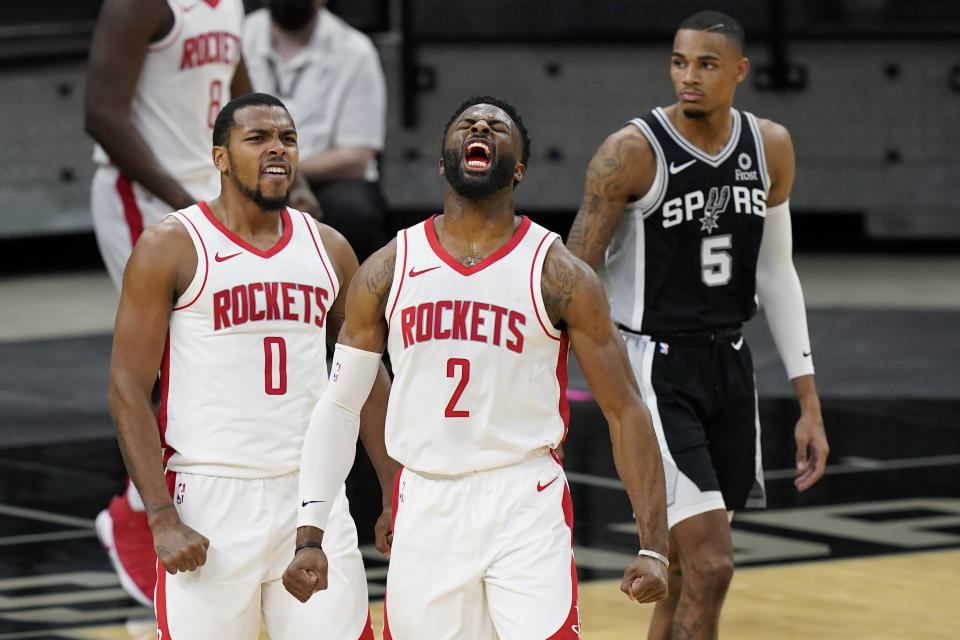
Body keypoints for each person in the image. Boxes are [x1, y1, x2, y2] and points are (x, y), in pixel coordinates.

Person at [282, 96, 669, 639]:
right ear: (443, 162)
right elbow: (341, 403)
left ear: (519, 168)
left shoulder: (560, 273)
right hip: (426, 497)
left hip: (523, 497)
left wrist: (654, 544)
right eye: (466, 123)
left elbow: (625, 410)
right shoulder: (389, 267)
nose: (481, 126)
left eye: (496, 126)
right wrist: (311, 533)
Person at [566, 11, 830, 639]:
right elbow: (573, 274)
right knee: (712, 565)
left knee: (684, 571)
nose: (689, 76)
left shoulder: (770, 146)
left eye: (707, 64)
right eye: (680, 62)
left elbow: (776, 273)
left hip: (730, 364)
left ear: (739, 70)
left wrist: (808, 399)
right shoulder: (630, 152)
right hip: (654, 367)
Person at [106, 92, 393, 638]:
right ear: (220, 157)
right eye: (257, 139)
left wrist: (391, 487)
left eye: (287, 138)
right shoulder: (171, 246)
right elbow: (127, 385)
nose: (276, 150)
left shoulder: (330, 249)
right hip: (210, 500)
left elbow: (367, 376)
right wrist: (161, 515)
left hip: (313, 499)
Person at [84, 0, 317, 605]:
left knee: (232, 354)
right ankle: (138, 520)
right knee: (163, 365)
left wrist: (295, 182)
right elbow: (101, 116)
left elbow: (239, 89)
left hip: (215, 189)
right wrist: (186, 204)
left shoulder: (230, 3)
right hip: (144, 193)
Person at [243, 0, 389, 262]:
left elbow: (355, 158)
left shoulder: (356, 51)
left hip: (327, 178)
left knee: (353, 213)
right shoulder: (239, 37)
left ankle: (351, 300)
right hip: (250, 170)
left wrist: (287, 173)